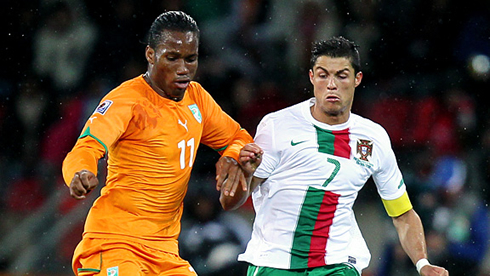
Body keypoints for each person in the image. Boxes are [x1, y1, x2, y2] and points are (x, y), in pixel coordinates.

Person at [222, 36, 449, 276]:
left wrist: (423, 264)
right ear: (311, 77)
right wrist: (243, 173)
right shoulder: (277, 126)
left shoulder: (373, 138)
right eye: (323, 75)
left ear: (357, 79)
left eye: (341, 75)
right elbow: (233, 201)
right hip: (275, 264)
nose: (331, 84)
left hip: (337, 264)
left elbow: (402, 213)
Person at [62, 11, 253, 276]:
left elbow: (238, 137)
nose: (183, 68)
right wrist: (80, 172)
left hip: (165, 251)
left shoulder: (197, 99)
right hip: (116, 242)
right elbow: (86, 147)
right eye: (172, 58)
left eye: (191, 59)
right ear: (150, 55)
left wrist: (231, 156)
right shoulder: (126, 100)